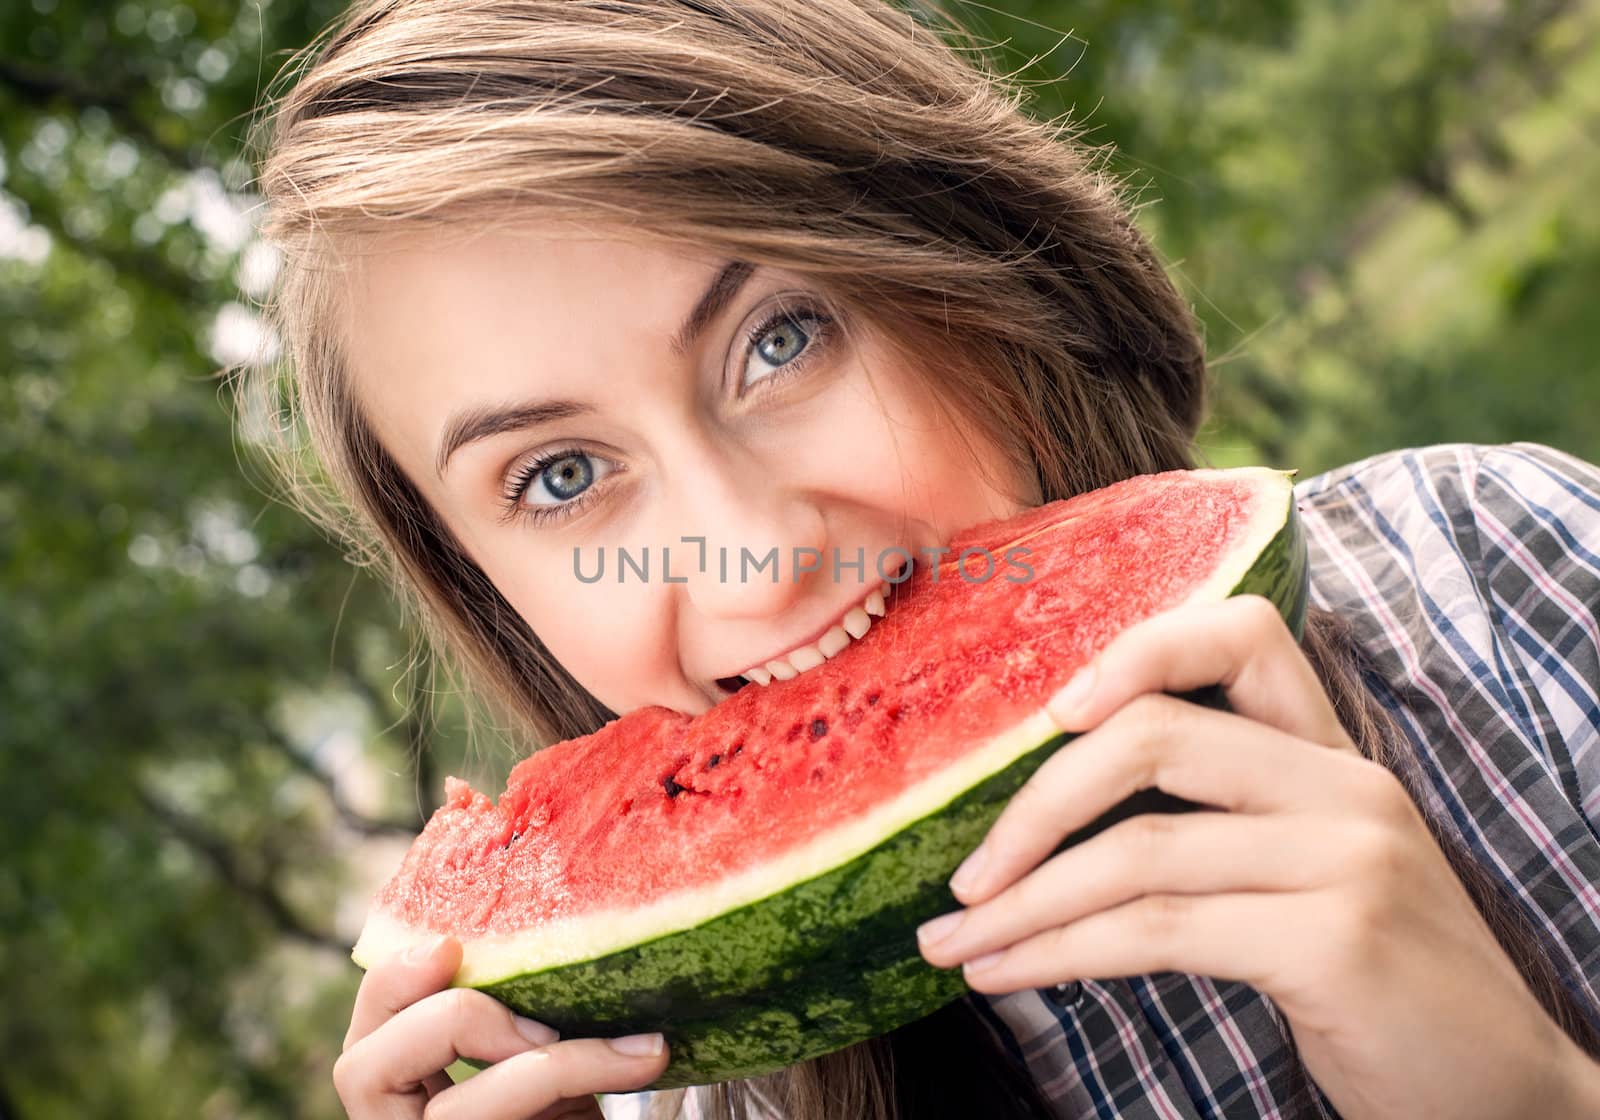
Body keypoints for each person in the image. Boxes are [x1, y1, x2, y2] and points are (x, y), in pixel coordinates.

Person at [240, 1, 1600, 1116]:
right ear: (494, 593)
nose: (754, 562)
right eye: (559, 477)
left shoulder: (1502, 570)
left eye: (782, 340)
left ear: (965, 265)